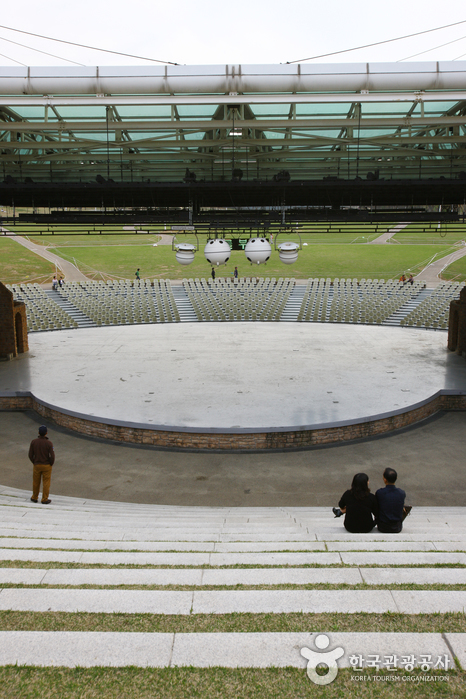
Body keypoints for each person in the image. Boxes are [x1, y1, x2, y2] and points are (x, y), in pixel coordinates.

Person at [29, 425, 55, 505]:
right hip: (46, 465)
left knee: (36, 482)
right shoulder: (49, 443)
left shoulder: (34, 442)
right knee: (46, 482)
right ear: (46, 433)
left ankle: (34, 497)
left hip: (37, 464)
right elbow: (52, 455)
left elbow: (30, 454)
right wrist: (51, 463)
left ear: (38, 433)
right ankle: (44, 499)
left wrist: (34, 461)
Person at [376, 468, 406, 533]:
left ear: (385, 479)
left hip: (382, 527)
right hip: (397, 527)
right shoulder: (401, 493)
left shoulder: (379, 493)